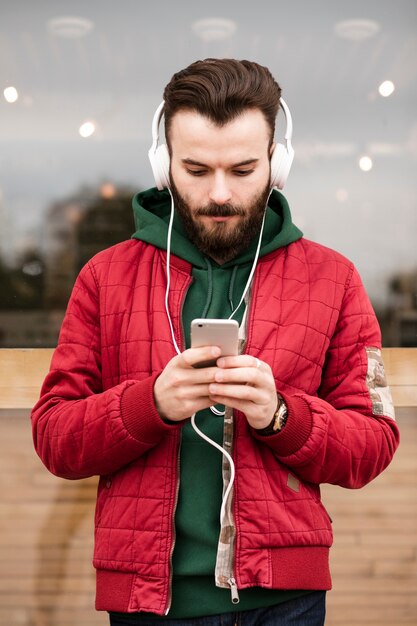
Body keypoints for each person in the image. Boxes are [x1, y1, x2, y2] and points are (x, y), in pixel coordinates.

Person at [31, 58, 399, 626]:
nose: (219, 194)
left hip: (287, 604)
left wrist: (281, 415)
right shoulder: (105, 277)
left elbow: (372, 444)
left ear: (278, 163)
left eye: (243, 169)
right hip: (150, 605)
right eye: (197, 170)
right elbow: (54, 436)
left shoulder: (335, 279)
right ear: (163, 163)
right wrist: (148, 405)